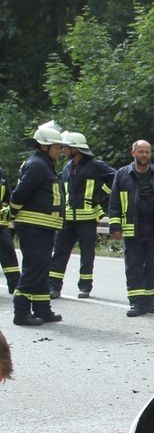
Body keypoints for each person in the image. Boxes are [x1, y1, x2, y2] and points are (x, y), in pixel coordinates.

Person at [108, 140, 154, 317]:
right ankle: (136, 303)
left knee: (153, 266)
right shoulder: (122, 175)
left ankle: (149, 300)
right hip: (132, 229)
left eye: (147, 152)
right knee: (134, 266)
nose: (144, 155)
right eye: (141, 152)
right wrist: (115, 226)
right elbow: (114, 202)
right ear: (133, 153)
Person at [9, 122, 66, 326]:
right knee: (34, 269)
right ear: (44, 147)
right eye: (57, 147)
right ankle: (21, 312)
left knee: (41, 268)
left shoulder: (44, 165)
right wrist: (13, 211)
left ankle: (42, 309)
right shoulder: (37, 165)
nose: (60, 151)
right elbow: (19, 193)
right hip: (33, 227)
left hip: (44, 227)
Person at [49, 131, 116, 299]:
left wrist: (101, 195)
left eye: (66, 147)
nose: (63, 150)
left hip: (87, 219)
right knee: (59, 252)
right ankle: (54, 287)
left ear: (76, 149)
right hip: (67, 219)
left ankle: (85, 287)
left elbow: (115, 178)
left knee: (87, 253)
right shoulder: (67, 168)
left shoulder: (95, 165)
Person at [1, 162, 19, 293]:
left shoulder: (1, 173)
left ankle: (16, 287)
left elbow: (7, 198)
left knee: (8, 254)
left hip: (0, 224)